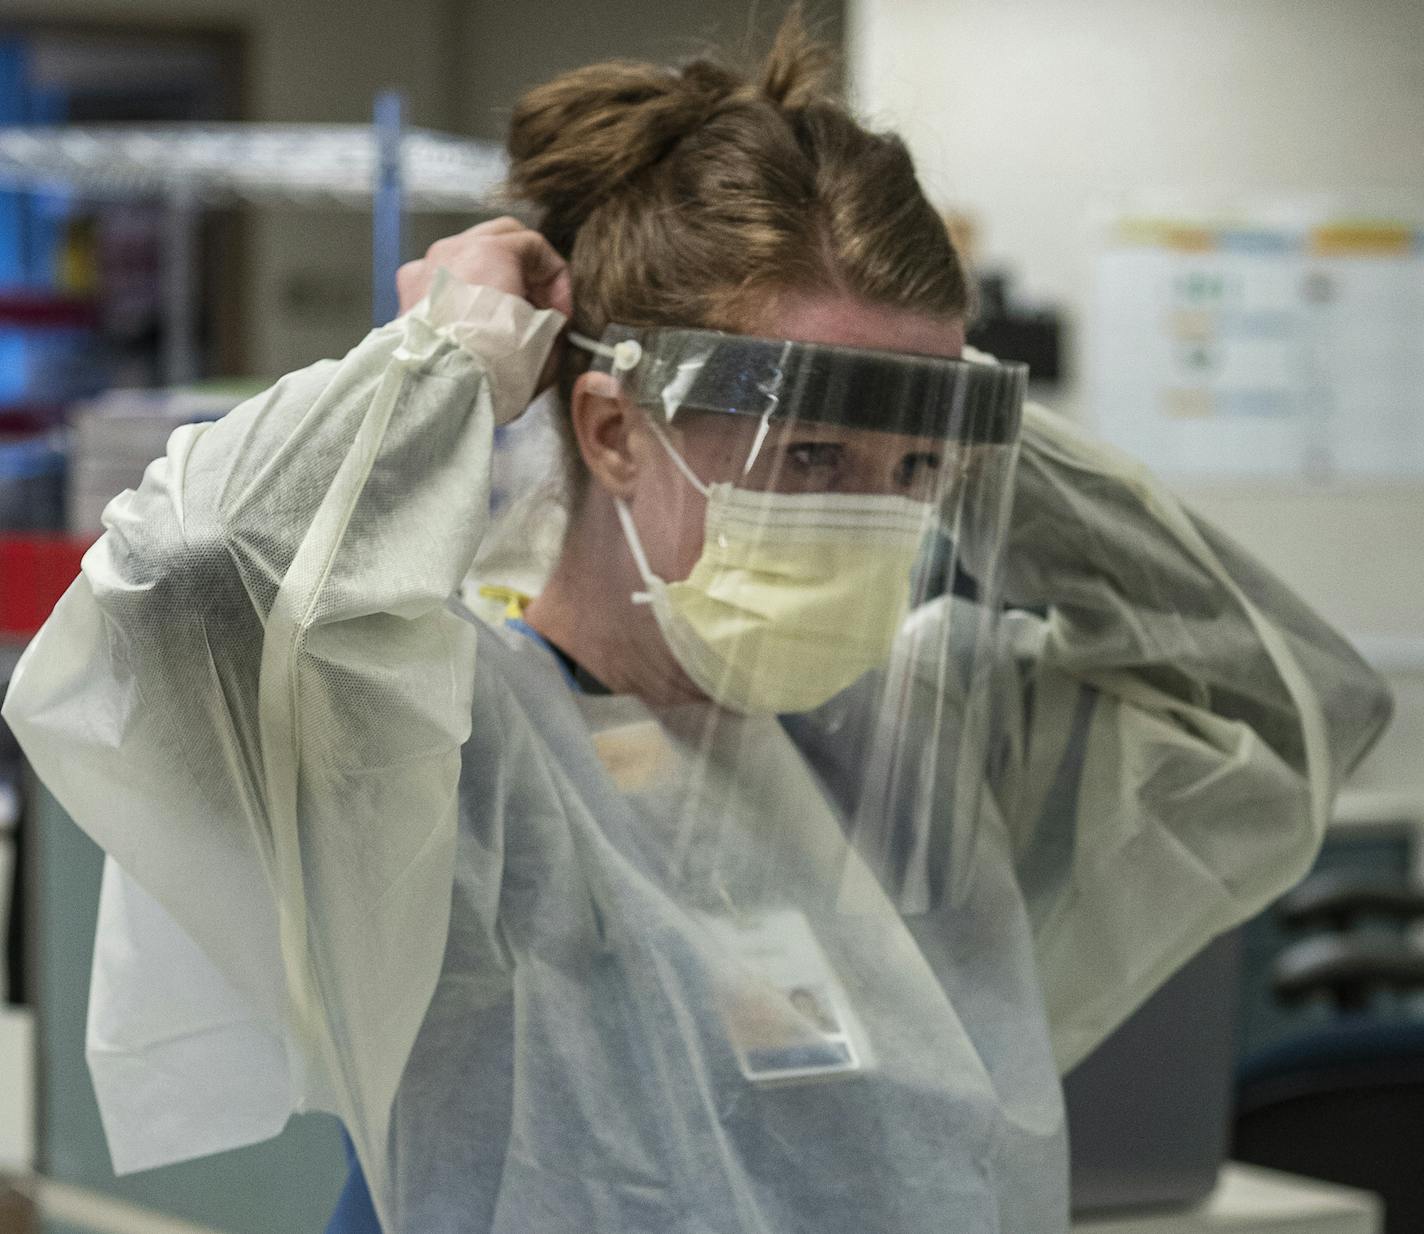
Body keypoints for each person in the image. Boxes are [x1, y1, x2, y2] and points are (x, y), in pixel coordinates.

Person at [1, 14, 1392, 1234]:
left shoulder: (918, 752)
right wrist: (438, 370)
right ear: (612, 428)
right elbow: (179, 587)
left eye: (912, 467)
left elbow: (1277, 708)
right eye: (806, 457)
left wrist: (977, 424)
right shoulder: (433, 747)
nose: (872, 509)